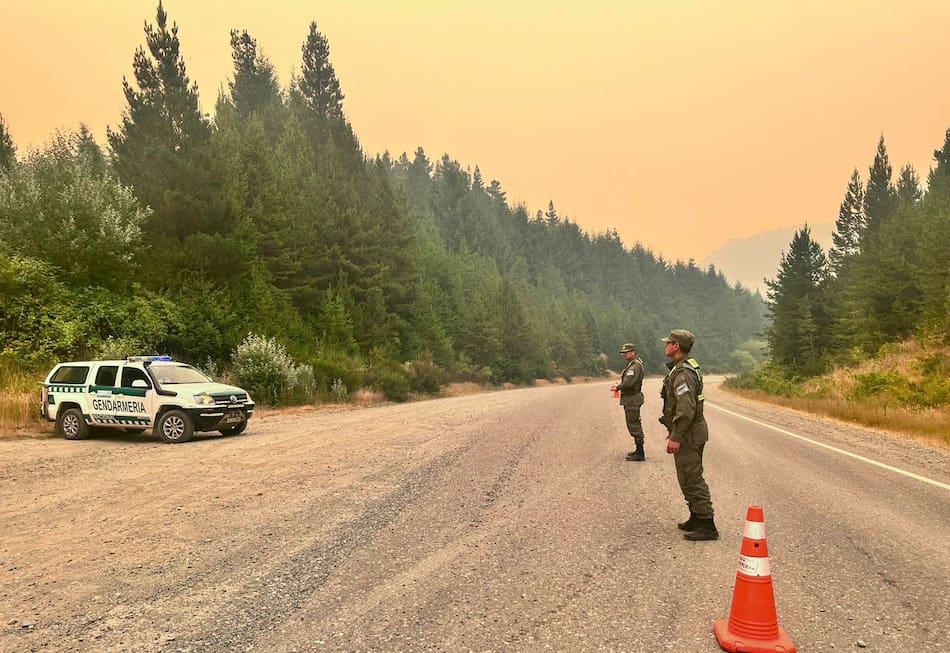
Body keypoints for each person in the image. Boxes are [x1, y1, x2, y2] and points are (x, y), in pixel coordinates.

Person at [659, 329, 718, 541]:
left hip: (690, 435)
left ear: (676, 347)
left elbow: (685, 410)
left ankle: (707, 525)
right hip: (691, 432)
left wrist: (676, 436)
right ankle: (695, 516)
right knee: (686, 476)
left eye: (669, 343)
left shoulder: (683, 373)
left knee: (692, 478)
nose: (665, 345)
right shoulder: (681, 369)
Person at [612, 343, 645, 461]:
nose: (624, 354)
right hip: (631, 398)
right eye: (623, 353)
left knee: (634, 424)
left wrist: (618, 387)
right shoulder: (632, 364)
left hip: (632, 398)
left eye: (626, 352)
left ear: (633, 352)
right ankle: (638, 449)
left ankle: (640, 452)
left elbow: (628, 382)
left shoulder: (635, 366)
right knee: (632, 423)